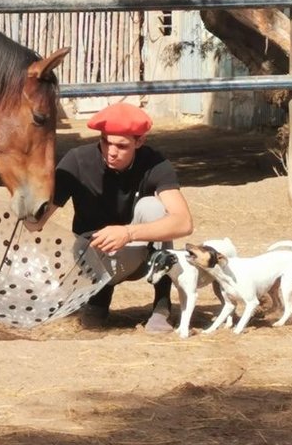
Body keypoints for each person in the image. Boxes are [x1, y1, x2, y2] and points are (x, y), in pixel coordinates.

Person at [52, 102, 194, 331]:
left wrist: (127, 233)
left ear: (139, 142)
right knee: (90, 323)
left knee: (153, 207)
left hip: (139, 253)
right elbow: (40, 215)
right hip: (88, 257)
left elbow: (184, 222)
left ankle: (162, 306)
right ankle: (97, 300)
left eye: (122, 145)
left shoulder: (155, 163)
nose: (111, 151)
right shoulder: (77, 160)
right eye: (105, 142)